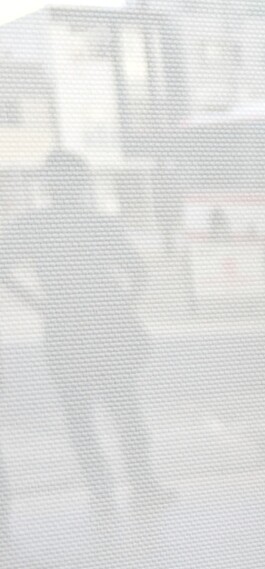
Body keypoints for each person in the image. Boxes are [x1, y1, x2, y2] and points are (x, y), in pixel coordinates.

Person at [0, 150, 165, 510]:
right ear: (82, 183)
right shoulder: (100, 224)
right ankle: (143, 485)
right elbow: (138, 272)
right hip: (107, 330)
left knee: (80, 419)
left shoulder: (34, 226)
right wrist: (122, 307)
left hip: (64, 329)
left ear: (48, 184)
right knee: (126, 412)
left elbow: (2, 265)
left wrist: (39, 303)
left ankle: (102, 494)